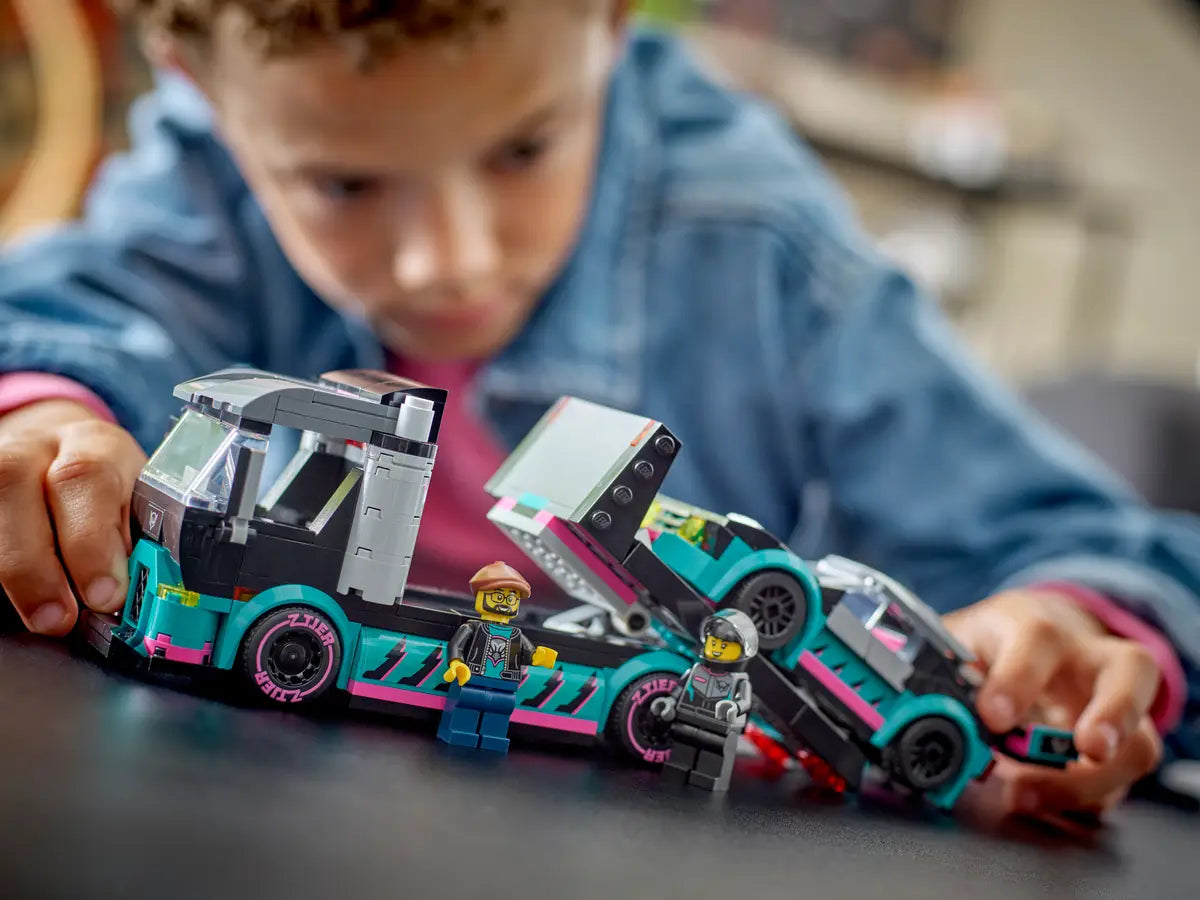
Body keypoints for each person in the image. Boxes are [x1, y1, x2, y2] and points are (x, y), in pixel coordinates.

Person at [0, 0, 1195, 820]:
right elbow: (56, 318)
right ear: (200, 85)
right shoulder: (206, 170)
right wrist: (42, 415)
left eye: (524, 150)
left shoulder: (760, 240)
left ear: (612, 23)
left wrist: (1075, 623)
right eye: (344, 183)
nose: (450, 260)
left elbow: (1085, 542)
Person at [438, 561, 557, 753]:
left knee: (501, 709)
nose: (505, 602)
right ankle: (459, 732)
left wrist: (540, 657)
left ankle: (493, 737)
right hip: (473, 678)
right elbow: (456, 645)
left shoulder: (516, 635)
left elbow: (528, 655)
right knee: (467, 703)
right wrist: (457, 663)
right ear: (481, 595)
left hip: (505, 683)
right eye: (499, 596)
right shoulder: (472, 627)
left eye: (511, 598)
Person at [652, 609, 757, 792]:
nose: (716, 650)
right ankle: (678, 768)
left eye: (724, 647)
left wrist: (733, 707)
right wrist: (669, 702)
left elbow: (745, 702)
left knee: (712, 760)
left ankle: (708, 777)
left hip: (719, 731)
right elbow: (679, 691)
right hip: (686, 722)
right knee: (681, 753)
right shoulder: (695, 671)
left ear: (741, 652)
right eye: (713, 643)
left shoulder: (739, 682)